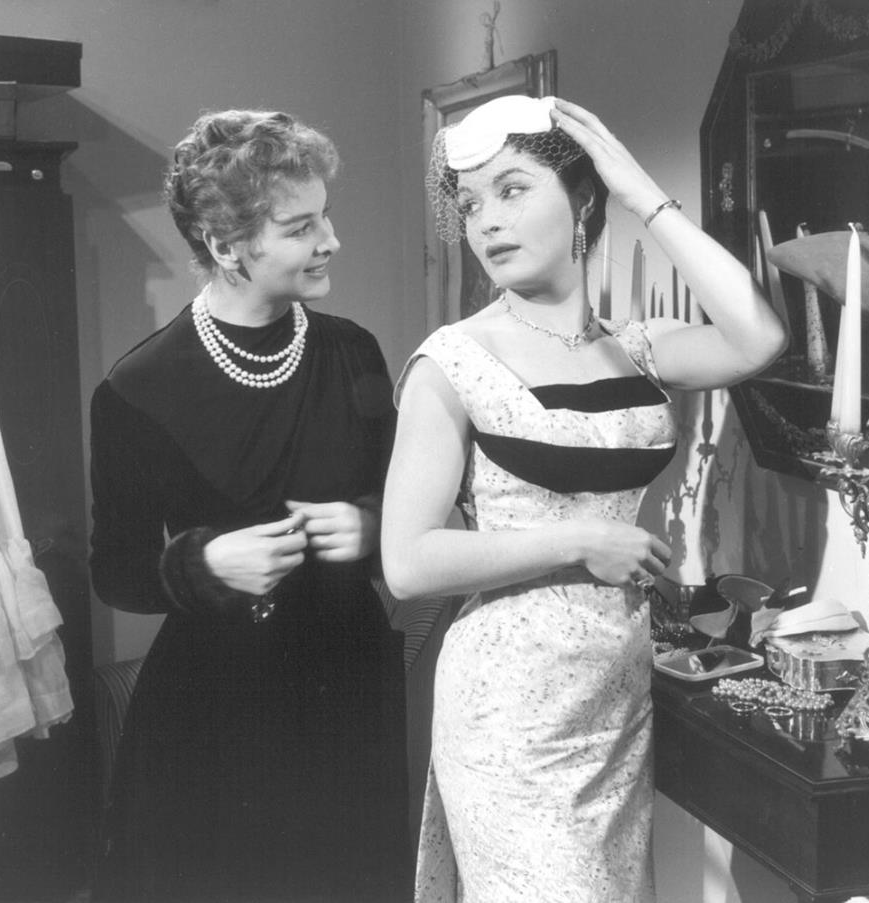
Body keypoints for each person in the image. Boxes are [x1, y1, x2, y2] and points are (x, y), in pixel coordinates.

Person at [381, 95, 787, 902]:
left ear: (583, 201)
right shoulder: (452, 362)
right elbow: (408, 561)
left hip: (615, 697)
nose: (487, 221)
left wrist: (641, 194)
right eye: (471, 204)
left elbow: (759, 337)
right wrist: (577, 541)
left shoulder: (637, 348)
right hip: (508, 714)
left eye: (512, 189)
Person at [89, 109, 411, 903]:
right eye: (301, 227)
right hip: (217, 708)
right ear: (226, 245)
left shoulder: (353, 352)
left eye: (324, 216)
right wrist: (201, 562)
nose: (331, 240)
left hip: (345, 683)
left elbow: (409, 505)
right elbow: (115, 571)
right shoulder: (136, 388)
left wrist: (371, 525)